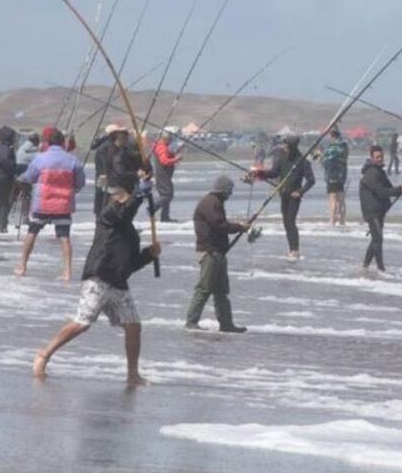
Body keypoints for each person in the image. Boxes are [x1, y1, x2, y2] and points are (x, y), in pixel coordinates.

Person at [32, 173, 160, 384]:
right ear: (116, 199)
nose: (125, 200)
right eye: (123, 197)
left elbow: (130, 263)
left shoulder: (129, 229)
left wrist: (149, 254)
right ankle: (44, 354)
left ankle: (132, 374)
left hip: (118, 283)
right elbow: (124, 211)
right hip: (99, 277)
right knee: (83, 322)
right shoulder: (108, 215)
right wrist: (139, 194)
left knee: (134, 325)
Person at [16, 129, 86, 280]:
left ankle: (22, 265)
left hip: (43, 203)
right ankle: (67, 271)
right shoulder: (72, 160)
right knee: (64, 237)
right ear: (62, 142)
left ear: (47, 143)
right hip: (63, 204)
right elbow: (80, 182)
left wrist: (21, 179)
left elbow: (30, 177)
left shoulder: (40, 159)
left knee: (32, 233)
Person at [185, 176, 250, 332]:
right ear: (223, 190)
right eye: (229, 191)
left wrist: (238, 228)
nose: (230, 194)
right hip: (210, 251)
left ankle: (226, 324)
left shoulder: (214, 202)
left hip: (218, 251)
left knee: (221, 291)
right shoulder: (211, 203)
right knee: (204, 288)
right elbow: (219, 225)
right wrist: (239, 227)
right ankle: (191, 321)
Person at [250, 135, 315, 260]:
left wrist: (300, 192)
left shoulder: (302, 162)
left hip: (294, 196)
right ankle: (291, 249)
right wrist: (259, 173)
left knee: (291, 222)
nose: (284, 148)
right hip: (284, 194)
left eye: (286, 146)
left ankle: (295, 250)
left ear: (292, 147)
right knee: (286, 223)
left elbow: (311, 180)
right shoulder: (281, 159)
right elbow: (273, 173)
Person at [360, 145, 402, 273]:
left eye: (381, 156)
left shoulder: (380, 172)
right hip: (372, 212)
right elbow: (381, 192)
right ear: (372, 158)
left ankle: (365, 266)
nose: (380, 159)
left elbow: (389, 188)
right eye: (377, 157)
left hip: (379, 211)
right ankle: (381, 268)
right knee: (378, 239)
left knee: (375, 239)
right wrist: (397, 190)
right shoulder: (371, 173)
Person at [320, 128, 349, 226]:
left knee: (333, 199)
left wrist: (320, 157)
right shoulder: (344, 146)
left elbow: (326, 162)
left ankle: (332, 221)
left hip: (332, 176)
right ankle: (342, 221)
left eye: (330, 137)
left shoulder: (332, 148)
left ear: (332, 136)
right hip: (341, 176)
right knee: (341, 199)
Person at [152, 131, 182, 222]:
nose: (170, 142)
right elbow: (164, 161)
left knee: (165, 195)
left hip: (163, 174)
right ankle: (152, 208)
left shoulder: (159, 146)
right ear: (164, 139)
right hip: (163, 174)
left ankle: (165, 217)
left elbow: (167, 155)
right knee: (167, 195)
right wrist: (176, 159)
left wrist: (174, 153)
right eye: (169, 140)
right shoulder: (161, 147)